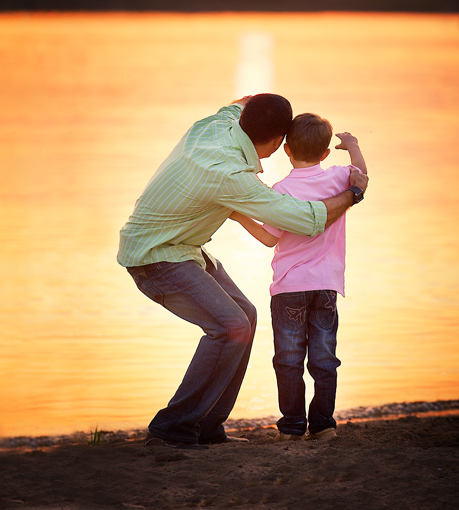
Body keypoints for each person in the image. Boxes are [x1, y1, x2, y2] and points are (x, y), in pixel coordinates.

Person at [117, 96, 368, 449]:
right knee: (231, 326)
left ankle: (208, 427)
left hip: (183, 247)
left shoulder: (218, 124)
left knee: (245, 316)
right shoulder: (232, 175)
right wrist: (354, 193)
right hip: (155, 257)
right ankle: (172, 428)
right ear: (278, 141)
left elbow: (243, 102)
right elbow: (307, 219)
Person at [230, 112, 367, 442]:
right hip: (326, 286)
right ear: (325, 153)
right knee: (324, 359)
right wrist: (352, 145)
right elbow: (362, 176)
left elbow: (269, 238)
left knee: (288, 360)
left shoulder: (282, 190)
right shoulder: (339, 178)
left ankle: (292, 428)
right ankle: (323, 426)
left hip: (289, 288)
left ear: (287, 149)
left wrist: (238, 216)